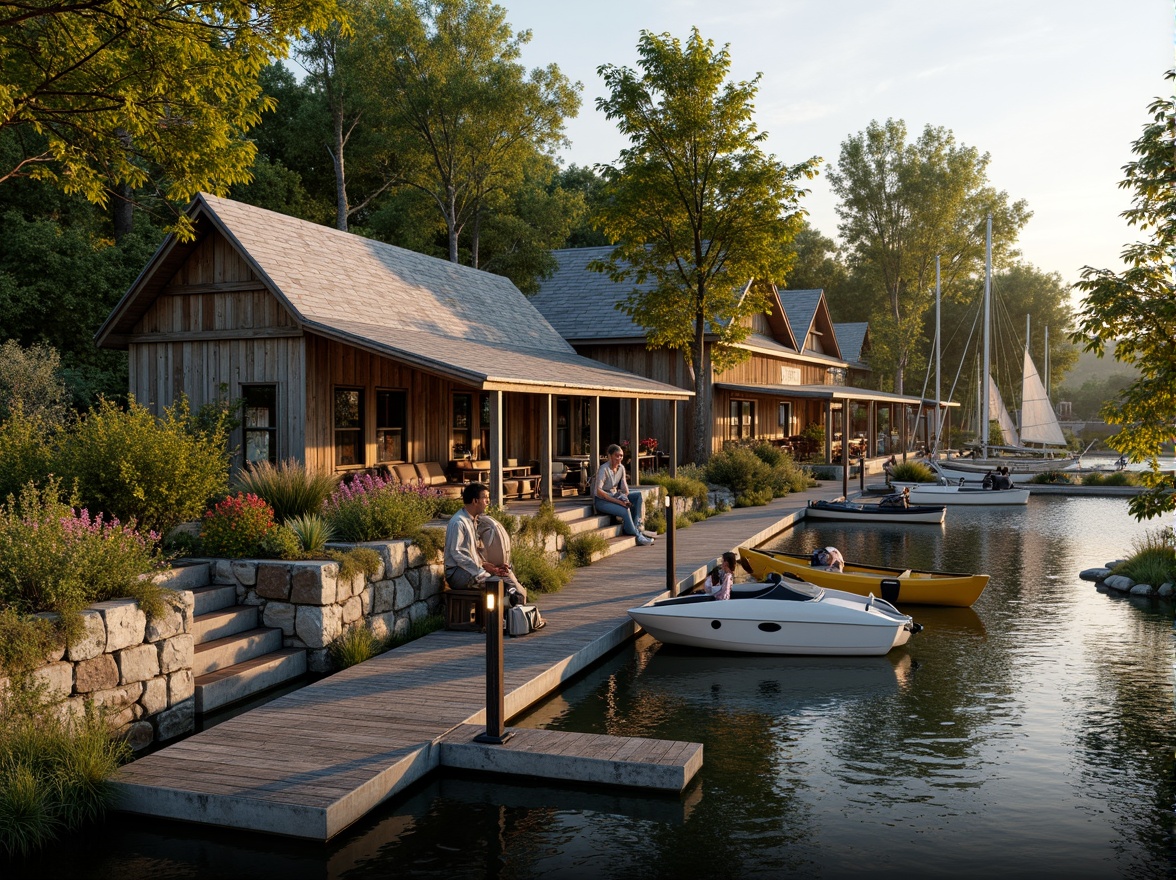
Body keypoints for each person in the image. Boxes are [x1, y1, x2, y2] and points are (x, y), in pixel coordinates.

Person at [444, 483, 526, 603]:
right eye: (485, 498)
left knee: (506, 579)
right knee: (498, 585)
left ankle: (514, 616)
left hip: (470, 569)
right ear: (475, 501)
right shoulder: (459, 522)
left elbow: (473, 553)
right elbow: (458, 554)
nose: (487, 502)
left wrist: (489, 566)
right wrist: (481, 571)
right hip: (458, 574)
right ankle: (496, 619)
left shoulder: (473, 520)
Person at [593, 443, 653, 546]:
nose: (619, 458)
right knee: (625, 509)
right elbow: (598, 491)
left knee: (637, 496)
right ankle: (637, 535)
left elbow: (625, 488)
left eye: (621, 455)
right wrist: (619, 502)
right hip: (603, 500)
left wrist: (624, 497)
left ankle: (636, 526)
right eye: (617, 455)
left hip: (615, 495)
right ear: (610, 456)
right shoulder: (604, 469)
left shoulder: (621, 468)